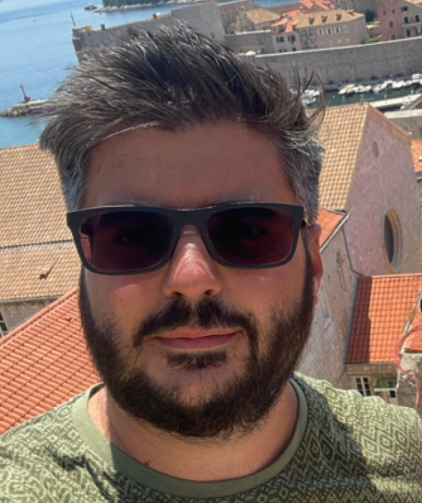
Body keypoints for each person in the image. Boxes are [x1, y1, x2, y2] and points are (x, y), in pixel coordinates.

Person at [0, 26, 421, 502]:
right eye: (132, 236)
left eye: (248, 231)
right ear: (83, 265)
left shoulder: (409, 466)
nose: (191, 278)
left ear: (313, 262)